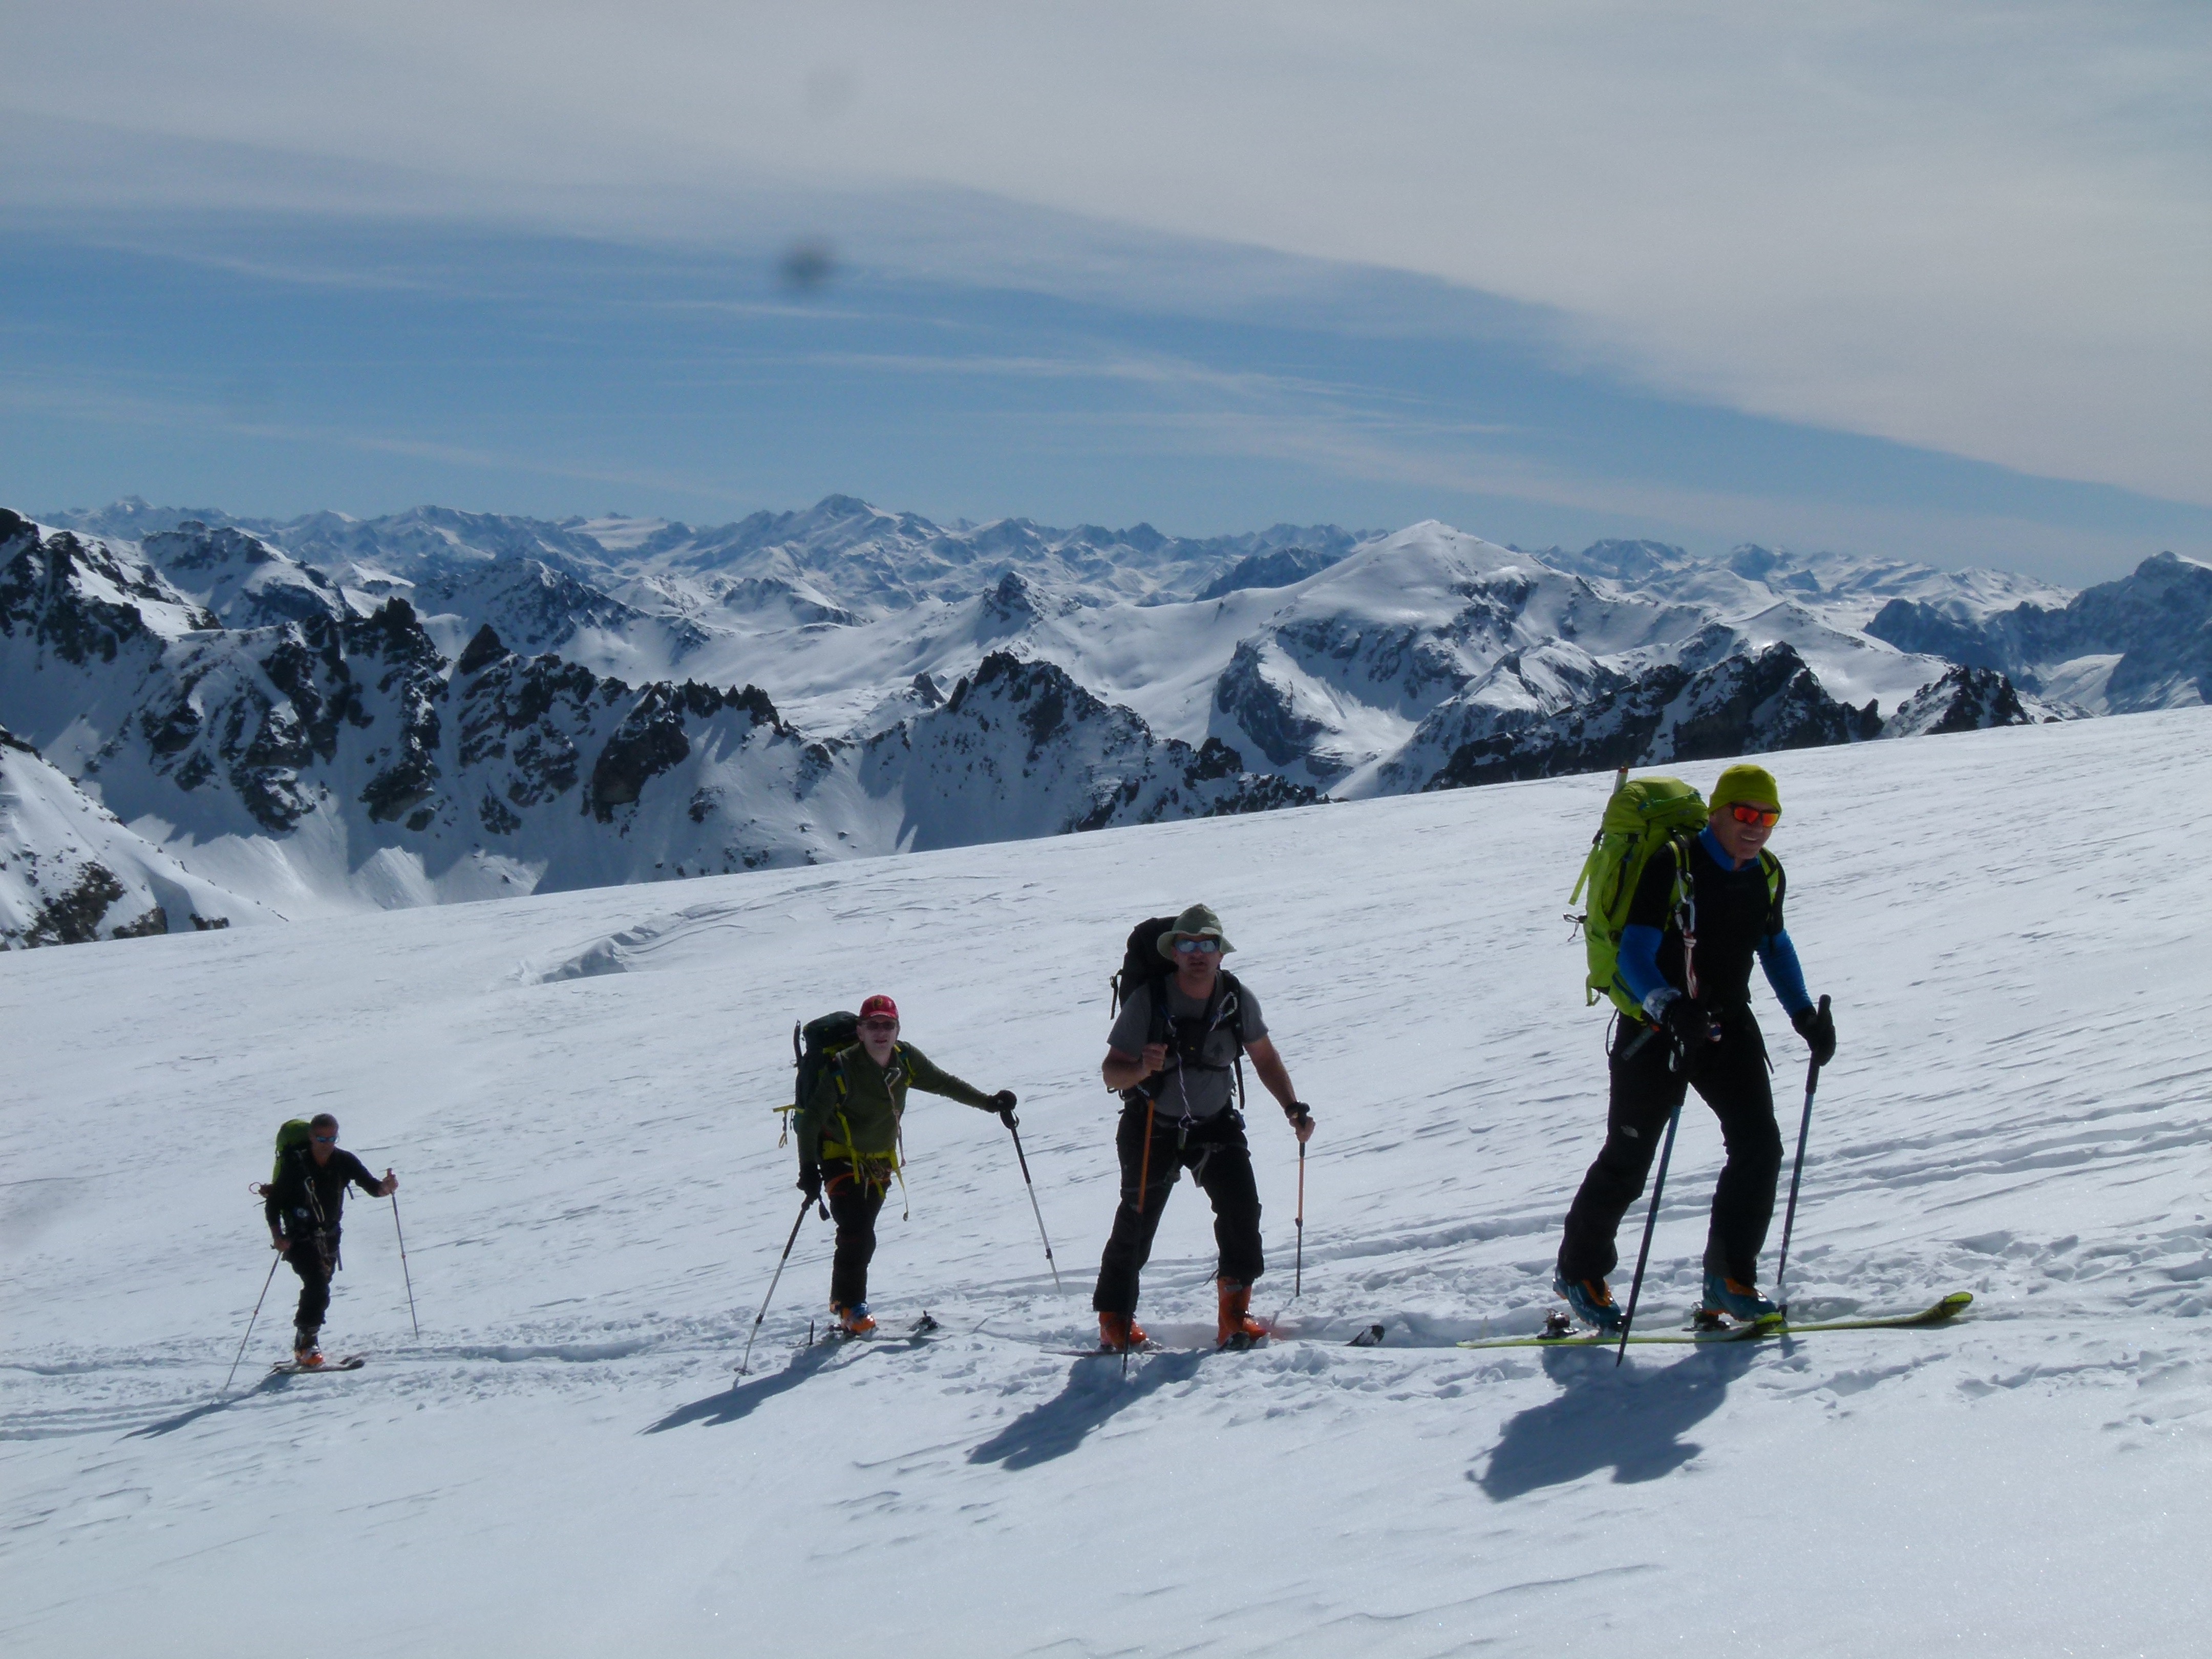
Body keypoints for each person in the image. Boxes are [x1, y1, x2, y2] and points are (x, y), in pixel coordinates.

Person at [1555, 763, 1837, 1331]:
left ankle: (1728, 1279)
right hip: (1656, 1034)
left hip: (1727, 1025)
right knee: (1629, 1162)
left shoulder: (1767, 873)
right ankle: (1580, 1272)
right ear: (1719, 812)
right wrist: (1668, 1005)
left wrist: (1804, 1015)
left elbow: (1774, 947)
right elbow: (1635, 951)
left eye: (1768, 817)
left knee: (1759, 1147)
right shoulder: (1675, 864)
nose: (1756, 826)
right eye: (1745, 813)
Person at [1093, 904, 1315, 1352]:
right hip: (1151, 1123)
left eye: (1207, 945)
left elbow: (1265, 1057)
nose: (1198, 953)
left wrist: (1292, 1108)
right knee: (1137, 1221)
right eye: (1188, 945)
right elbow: (1111, 1073)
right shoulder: (1149, 1000)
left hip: (1215, 1123)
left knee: (1241, 1210)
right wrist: (1140, 1067)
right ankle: (1115, 1319)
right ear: (1174, 952)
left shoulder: (1235, 998)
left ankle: (1233, 1316)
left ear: (1220, 952)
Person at [792, 994, 1016, 1336]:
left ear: (897, 1030)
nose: (881, 1032)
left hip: (880, 1163)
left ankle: (843, 1302)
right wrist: (808, 1169)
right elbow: (810, 1122)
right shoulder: (842, 1067)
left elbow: (944, 1084)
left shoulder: (905, 1061)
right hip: (839, 1156)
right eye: (873, 1025)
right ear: (860, 1031)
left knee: (859, 1231)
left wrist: (988, 1103)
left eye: (888, 1025)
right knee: (858, 1231)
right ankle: (852, 1307)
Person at [264, 1113, 397, 1366]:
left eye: (332, 1137)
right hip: (299, 1237)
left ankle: (305, 1340)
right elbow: (274, 1204)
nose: (327, 1143)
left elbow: (372, 1187)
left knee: (321, 1285)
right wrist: (278, 1236)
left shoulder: (344, 1161)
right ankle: (306, 1346)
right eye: (321, 1138)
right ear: (311, 1137)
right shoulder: (296, 1166)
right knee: (317, 1284)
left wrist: (386, 1187)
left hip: (330, 1238)